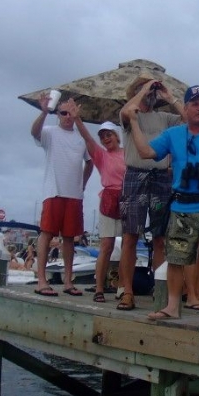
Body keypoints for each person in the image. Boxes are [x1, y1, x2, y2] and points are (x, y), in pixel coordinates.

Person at [123, 84, 199, 329]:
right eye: (195, 104)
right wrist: (134, 123)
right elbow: (145, 152)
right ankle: (172, 306)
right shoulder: (174, 134)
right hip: (180, 206)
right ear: (185, 109)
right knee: (175, 259)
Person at [117, 72, 186, 311]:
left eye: (152, 90)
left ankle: (160, 289)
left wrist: (170, 97)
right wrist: (143, 88)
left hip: (160, 178)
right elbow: (127, 111)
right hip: (135, 176)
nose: (151, 94)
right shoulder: (129, 115)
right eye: (147, 91)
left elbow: (189, 122)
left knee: (160, 238)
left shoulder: (165, 118)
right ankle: (127, 291)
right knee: (130, 236)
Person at [31, 92, 93, 297]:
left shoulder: (80, 138)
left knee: (69, 238)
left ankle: (68, 281)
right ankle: (41, 279)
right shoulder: (50, 132)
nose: (67, 116)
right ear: (57, 114)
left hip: (74, 194)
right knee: (47, 233)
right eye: (63, 113)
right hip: (54, 191)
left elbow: (90, 162)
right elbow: (34, 132)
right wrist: (43, 112)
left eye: (71, 113)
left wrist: (82, 185)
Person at [68, 99, 126, 303]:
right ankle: (99, 288)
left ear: (117, 136)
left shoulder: (128, 153)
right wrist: (77, 120)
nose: (105, 139)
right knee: (107, 245)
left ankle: (123, 287)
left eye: (109, 135)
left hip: (128, 200)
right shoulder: (101, 156)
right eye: (102, 137)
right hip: (109, 201)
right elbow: (87, 139)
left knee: (128, 245)